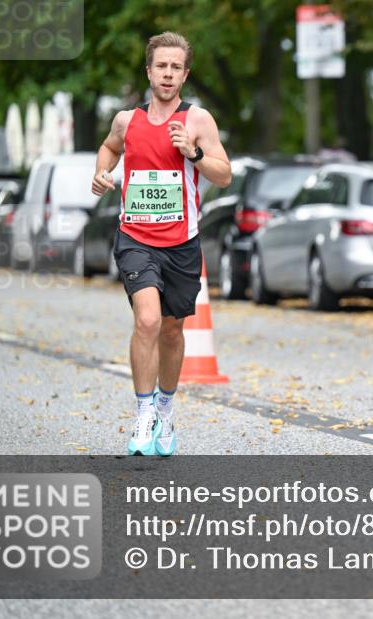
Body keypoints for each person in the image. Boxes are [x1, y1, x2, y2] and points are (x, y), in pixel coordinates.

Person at [91, 32, 231, 456]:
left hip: (182, 241)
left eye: (176, 68)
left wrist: (193, 153)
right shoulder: (125, 120)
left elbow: (223, 173)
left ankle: (166, 410)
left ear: (184, 75)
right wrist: (101, 173)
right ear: (148, 71)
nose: (168, 74)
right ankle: (143, 414)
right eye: (161, 66)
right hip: (135, 237)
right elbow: (108, 148)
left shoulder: (198, 121)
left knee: (172, 330)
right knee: (147, 320)